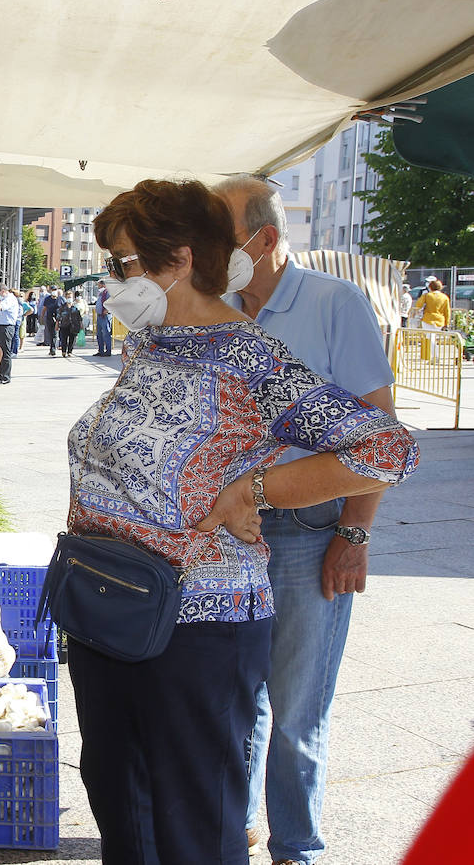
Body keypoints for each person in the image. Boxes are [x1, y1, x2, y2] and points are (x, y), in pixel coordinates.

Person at [69, 178, 417, 865]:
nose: (114, 280)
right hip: (112, 612)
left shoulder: (251, 358)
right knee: (122, 809)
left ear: (181, 259)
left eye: (124, 262)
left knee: (194, 826)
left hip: (198, 629)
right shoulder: (151, 345)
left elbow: (387, 448)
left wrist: (255, 489)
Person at [217, 176, 408, 865]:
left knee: (296, 709)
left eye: (222, 235)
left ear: (264, 239)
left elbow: (379, 436)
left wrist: (354, 535)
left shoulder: (333, 303)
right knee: (237, 700)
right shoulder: (217, 309)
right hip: (229, 540)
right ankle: (231, 833)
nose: (212, 250)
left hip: (307, 533)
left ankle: (296, 850)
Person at [57, 291, 82, 357]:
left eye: (70, 297)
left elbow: (79, 317)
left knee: (72, 339)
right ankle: (64, 351)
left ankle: (70, 351)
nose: (69, 298)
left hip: (73, 325)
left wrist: (80, 325)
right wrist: (57, 324)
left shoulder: (75, 308)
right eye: (68, 297)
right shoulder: (62, 307)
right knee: (63, 339)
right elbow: (58, 316)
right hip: (64, 325)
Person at [94, 278, 113, 355]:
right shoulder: (101, 293)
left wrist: (107, 310)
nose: (98, 286)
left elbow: (111, 303)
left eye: (99, 284)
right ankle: (100, 350)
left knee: (106, 334)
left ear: (103, 285)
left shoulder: (108, 293)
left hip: (105, 316)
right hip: (99, 316)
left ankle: (108, 351)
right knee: (99, 334)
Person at [42, 287, 62, 356]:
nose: (54, 291)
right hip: (50, 318)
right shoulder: (47, 299)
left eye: (55, 290)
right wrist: (42, 317)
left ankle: (60, 346)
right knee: (52, 334)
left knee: (57, 334)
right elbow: (44, 308)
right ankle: (52, 349)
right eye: (52, 290)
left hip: (58, 318)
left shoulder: (60, 299)